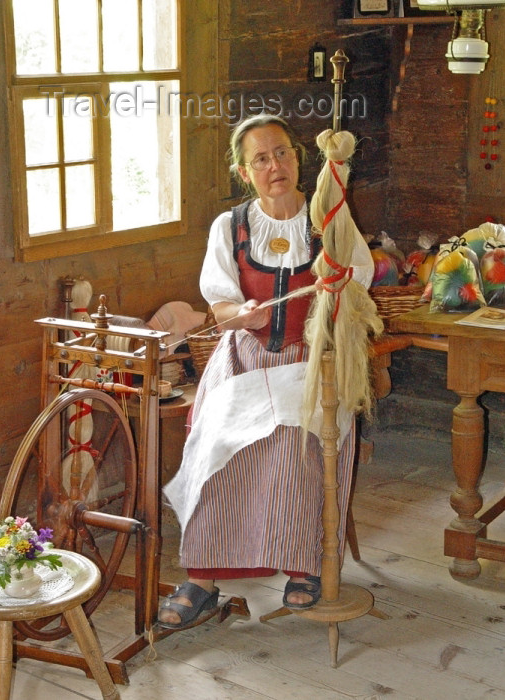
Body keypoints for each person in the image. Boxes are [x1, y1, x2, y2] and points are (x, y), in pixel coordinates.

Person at [158, 114, 376, 630]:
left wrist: (339, 295)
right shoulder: (229, 226)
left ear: (298, 159)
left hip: (313, 364)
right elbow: (220, 306)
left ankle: (304, 567)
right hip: (247, 362)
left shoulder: (329, 218)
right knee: (214, 448)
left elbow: (361, 280)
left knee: (296, 446)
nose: (274, 165)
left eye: (281, 153)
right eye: (260, 159)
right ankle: (203, 580)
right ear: (243, 171)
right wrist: (243, 315)